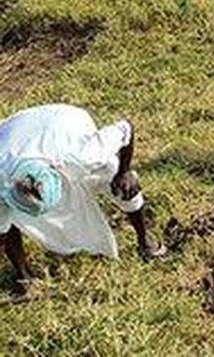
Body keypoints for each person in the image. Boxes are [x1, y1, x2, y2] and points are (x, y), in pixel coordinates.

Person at [1, 104, 166, 296]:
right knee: (4, 212)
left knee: (118, 180)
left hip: (65, 118)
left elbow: (125, 128)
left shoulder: (83, 155)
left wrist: (125, 171)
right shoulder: (1, 180)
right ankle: (24, 275)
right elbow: (2, 232)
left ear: (59, 179)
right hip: (13, 128)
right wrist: (23, 277)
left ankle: (145, 240)